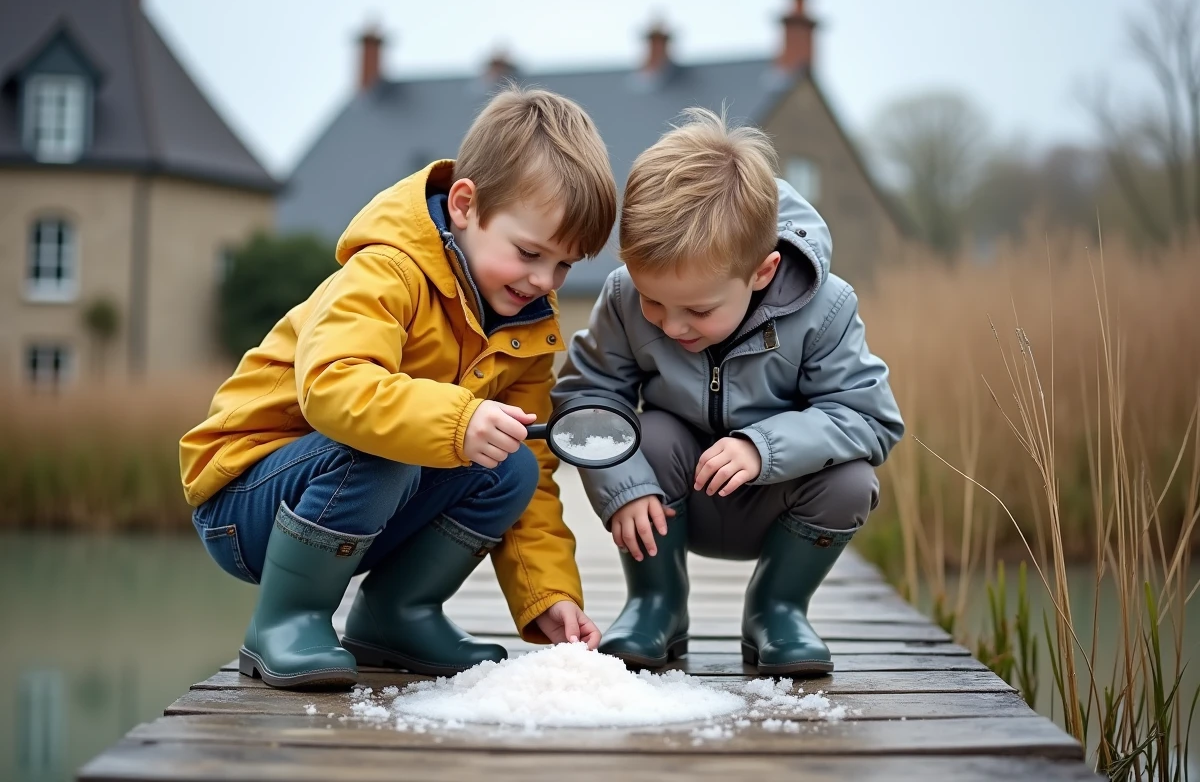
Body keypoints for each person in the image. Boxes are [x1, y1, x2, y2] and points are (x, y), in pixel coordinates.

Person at [180, 86, 617, 688]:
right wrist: (458, 420)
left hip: (366, 496)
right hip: (247, 498)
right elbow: (333, 386)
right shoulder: (387, 270)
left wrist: (548, 593)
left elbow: (537, 473)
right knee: (387, 443)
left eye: (564, 265)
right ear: (465, 205)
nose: (544, 280)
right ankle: (285, 620)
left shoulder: (526, 325)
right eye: (528, 253)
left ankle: (396, 613)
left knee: (514, 461)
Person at [552, 107, 905, 675]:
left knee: (850, 481)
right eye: (653, 301)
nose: (672, 325)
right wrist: (624, 487)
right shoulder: (622, 297)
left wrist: (762, 447)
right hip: (669, 501)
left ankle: (776, 610)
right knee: (651, 433)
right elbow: (586, 398)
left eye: (698, 310)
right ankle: (657, 604)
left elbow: (868, 417)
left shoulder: (827, 307)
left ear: (762, 272)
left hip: (776, 501)